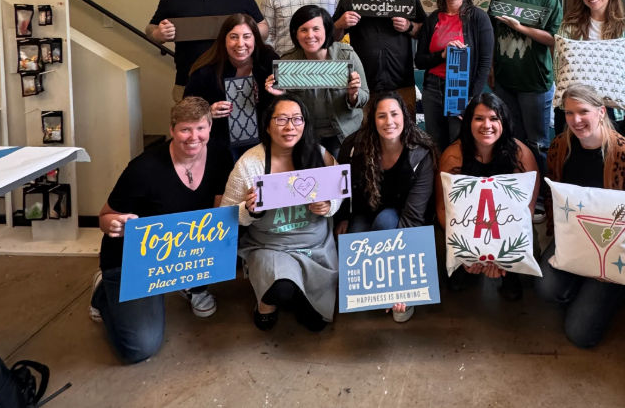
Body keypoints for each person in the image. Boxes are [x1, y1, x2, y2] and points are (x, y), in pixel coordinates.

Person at [88, 97, 231, 364]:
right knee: (140, 348)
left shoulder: (220, 156)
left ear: (210, 127)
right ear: (172, 130)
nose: (193, 137)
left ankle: (191, 285)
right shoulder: (144, 169)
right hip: (133, 258)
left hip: (179, 252)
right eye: (185, 129)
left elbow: (217, 210)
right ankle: (103, 291)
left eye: (200, 128)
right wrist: (115, 224)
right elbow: (104, 217)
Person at [538, 84, 625, 348]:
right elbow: (553, 198)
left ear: (601, 112)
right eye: (569, 113)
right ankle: (584, 282)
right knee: (545, 288)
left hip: (614, 247)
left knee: (580, 334)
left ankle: (617, 290)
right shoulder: (559, 146)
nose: (576, 120)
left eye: (583, 112)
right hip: (576, 238)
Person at [221, 95, 338, 333]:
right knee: (282, 289)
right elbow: (227, 215)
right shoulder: (249, 164)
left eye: (297, 119)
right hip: (271, 246)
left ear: (305, 124)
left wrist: (328, 206)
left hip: (314, 246)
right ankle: (267, 301)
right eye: (281, 119)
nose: (289, 127)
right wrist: (250, 211)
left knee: (316, 324)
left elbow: (338, 193)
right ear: (267, 124)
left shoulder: (319, 154)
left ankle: (297, 294)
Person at [335, 93, 437, 322]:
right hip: (364, 210)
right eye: (381, 116)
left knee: (385, 223)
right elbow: (341, 188)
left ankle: (398, 299)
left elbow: (414, 217)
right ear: (373, 120)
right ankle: (374, 293)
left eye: (394, 114)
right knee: (352, 250)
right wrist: (343, 218)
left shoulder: (420, 152)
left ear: (405, 117)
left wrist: (399, 284)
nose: (389, 122)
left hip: (400, 215)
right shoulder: (354, 146)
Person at [436, 93, 539, 301]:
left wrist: (498, 256)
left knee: (528, 256)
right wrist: (469, 252)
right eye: (479, 118)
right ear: (467, 122)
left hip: (507, 229)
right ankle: (465, 268)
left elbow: (526, 210)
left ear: (504, 122)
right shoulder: (453, 156)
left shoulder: (521, 154)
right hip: (466, 230)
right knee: (450, 274)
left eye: (494, 118)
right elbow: (442, 209)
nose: (487, 125)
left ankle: (509, 273)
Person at [147, 0, 269, 100]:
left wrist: (247, 35)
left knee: (233, 126)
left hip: (234, 83)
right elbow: (150, 29)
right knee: (191, 126)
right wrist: (158, 34)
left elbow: (263, 27)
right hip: (187, 82)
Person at [489, 0, 562, 175]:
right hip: (504, 81)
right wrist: (491, 69)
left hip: (535, 83)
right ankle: (517, 190)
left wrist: (522, 28)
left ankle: (540, 197)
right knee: (511, 139)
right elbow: (492, 33)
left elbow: (553, 39)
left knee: (538, 142)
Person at [333, 0, 426, 115]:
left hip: (401, 83)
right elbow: (333, 37)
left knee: (404, 134)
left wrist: (409, 26)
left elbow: (424, 32)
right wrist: (340, 24)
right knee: (365, 136)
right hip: (363, 84)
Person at [267, 5, 368, 157]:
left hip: (345, 134)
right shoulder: (288, 61)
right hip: (307, 136)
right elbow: (285, 110)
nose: (310, 35)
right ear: (296, 34)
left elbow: (365, 96)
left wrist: (353, 94)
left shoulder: (347, 55)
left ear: (326, 30)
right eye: (303, 30)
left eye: (316, 29)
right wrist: (280, 95)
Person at [554, 0, 625, 132]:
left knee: (607, 158)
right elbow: (558, 70)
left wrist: (594, 101)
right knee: (566, 157)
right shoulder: (569, 26)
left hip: (609, 110)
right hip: (572, 110)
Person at [415, 0, 493, 152]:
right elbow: (420, 60)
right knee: (435, 145)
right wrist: (442, 55)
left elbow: (485, 63)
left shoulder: (479, 18)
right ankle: (438, 181)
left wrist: (471, 98)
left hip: (461, 90)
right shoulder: (433, 19)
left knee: (459, 144)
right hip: (432, 89)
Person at [184, 13, 277, 160]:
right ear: (224, 39)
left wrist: (281, 93)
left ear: (255, 38)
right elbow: (186, 110)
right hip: (220, 140)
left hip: (264, 137)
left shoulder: (269, 60)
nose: (240, 44)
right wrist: (207, 112)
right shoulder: (206, 70)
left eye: (246, 36)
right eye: (234, 37)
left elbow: (291, 99)